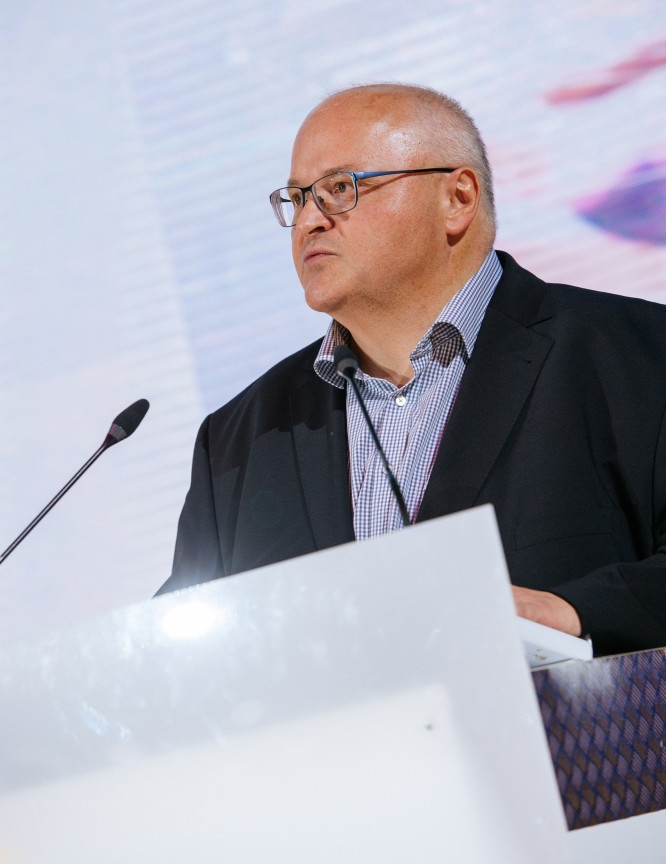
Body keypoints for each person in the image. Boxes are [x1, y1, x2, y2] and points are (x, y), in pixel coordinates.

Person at [158, 83, 666, 656]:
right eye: (297, 199)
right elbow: (183, 655)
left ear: (457, 198)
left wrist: (572, 611)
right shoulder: (238, 439)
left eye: (340, 189)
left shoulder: (640, 356)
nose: (308, 222)